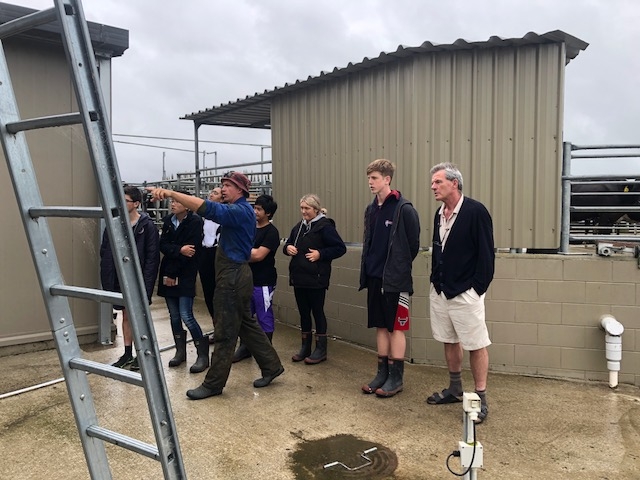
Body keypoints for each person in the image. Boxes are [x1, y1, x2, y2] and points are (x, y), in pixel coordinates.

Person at [147, 172, 284, 400]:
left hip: (232, 277)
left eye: (228, 185)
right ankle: (272, 366)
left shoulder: (239, 211)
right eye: (222, 185)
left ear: (240, 190)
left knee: (225, 333)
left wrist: (171, 193)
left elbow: (207, 208)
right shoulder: (240, 211)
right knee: (246, 325)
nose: (223, 188)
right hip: (235, 275)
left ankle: (213, 384)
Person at [426, 162, 495, 424]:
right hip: (441, 290)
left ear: (454, 183)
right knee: (448, 339)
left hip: (466, 292)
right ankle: (455, 389)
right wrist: (435, 281)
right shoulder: (439, 213)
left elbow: (487, 256)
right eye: (433, 182)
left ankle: (480, 398)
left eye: (438, 182)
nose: (433, 186)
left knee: (476, 344)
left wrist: (477, 290)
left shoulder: (476, 212)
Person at [359, 159, 421, 397]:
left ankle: (396, 377)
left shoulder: (404, 208)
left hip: (395, 280)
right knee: (381, 325)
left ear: (387, 179)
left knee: (396, 328)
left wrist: (397, 268)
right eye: (369, 178)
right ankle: (382, 373)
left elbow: (412, 245)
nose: (370, 182)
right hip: (374, 277)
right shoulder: (371, 209)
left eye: (374, 178)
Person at [100, 185, 160, 370]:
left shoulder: (147, 226)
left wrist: (146, 287)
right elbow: (105, 251)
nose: (121, 203)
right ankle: (127, 353)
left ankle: (143, 355)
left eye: (125, 201)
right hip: (119, 277)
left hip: (137, 278)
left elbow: (152, 258)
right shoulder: (114, 224)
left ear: (136, 204)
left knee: (138, 317)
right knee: (125, 315)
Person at [283, 194, 346, 364]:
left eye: (307, 208)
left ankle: (320, 348)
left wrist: (321, 254)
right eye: (302, 208)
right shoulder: (299, 227)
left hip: (316, 278)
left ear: (316, 209)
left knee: (317, 312)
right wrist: (287, 248)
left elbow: (340, 248)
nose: (303, 211)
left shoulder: (325, 227)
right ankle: (305, 346)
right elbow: (288, 243)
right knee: (303, 313)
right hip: (299, 277)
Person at [158, 190, 209, 373]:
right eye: (172, 201)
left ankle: (202, 354)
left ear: (187, 205)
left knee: (186, 315)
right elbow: (162, 245)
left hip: (185, 273)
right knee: (174, 316)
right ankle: (180, 352)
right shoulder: (167, 221)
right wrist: (179, 249)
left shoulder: (195, 222)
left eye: (177, 201)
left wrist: (175, 255)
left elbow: (191, 251)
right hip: (167, 273)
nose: (173, 204)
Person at [232, 194, 280, 362]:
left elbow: (259, 255)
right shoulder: (250, 228)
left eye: (259, 209)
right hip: (246, 279)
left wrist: (242, 252)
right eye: (255, 208)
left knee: (263, 315)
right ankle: (245, 347)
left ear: (268, 213)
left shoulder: (271, 232)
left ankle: (266, 353)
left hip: (263, 281)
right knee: (245, 315)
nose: (255, 212)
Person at [198, 188, 222, 341]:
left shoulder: (224, 215)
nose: (211, 194)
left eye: (215, 193)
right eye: (211, 192)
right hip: (205, 253)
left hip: (218, 254)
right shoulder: (204, 216)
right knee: (209, 294)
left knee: (221, 295)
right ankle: (216, 328)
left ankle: (225, 329)